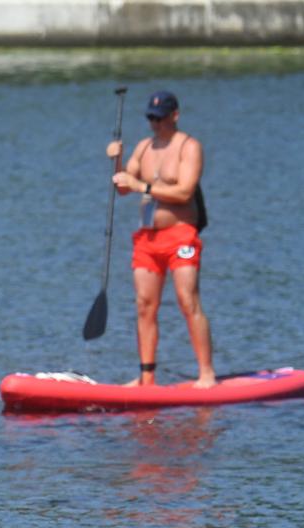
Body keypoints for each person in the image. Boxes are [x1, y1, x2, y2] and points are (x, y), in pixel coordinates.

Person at [108, 90, 216, 388]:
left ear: (175, 115)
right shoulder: (143, 148)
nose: (155, 124)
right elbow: (122, 187)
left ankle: (206, 373)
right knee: (144, 304)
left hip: (181, 234)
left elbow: (183, 192)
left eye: (160, 118)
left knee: (187, 299)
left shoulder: (189, 147)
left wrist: (141, 186)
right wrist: (116, 164)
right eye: (150, 118)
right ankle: (146, 378)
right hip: (147, 239)